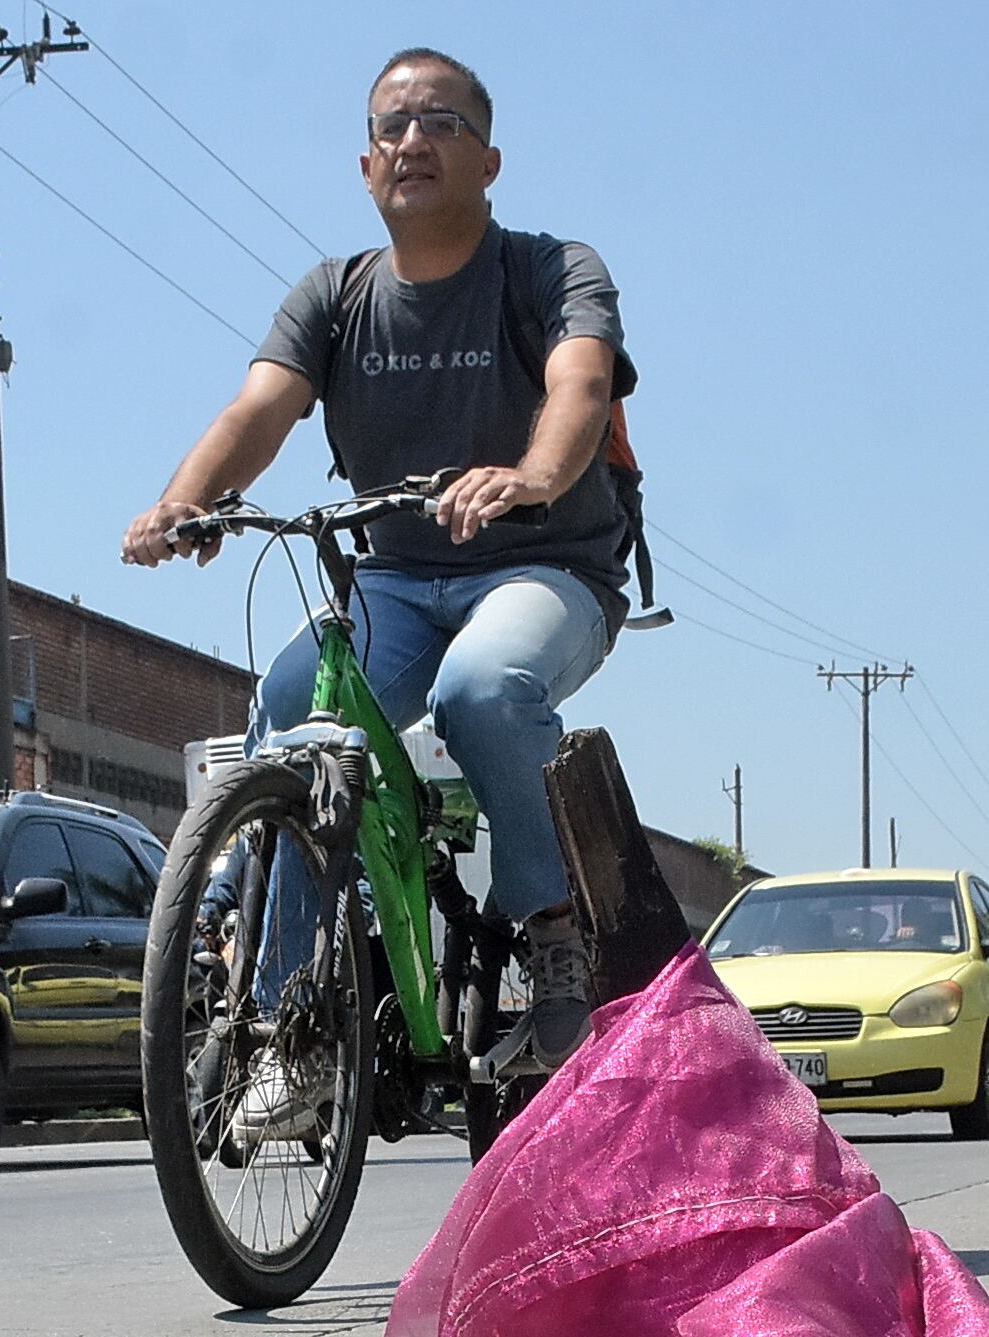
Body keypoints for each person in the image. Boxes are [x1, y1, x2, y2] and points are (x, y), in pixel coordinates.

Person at [122, 45, 634, 1089]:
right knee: (291, 709)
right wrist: (186, 500)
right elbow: (258, 410)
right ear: (365, 168)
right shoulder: (335, 294)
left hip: (544, 569)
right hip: (395, 582)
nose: (413, 141)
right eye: (391, 127)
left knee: (481, 690)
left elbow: (579, 388)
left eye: (441, 122)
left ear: (488, 161)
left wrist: (531, 477)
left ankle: (553, 931)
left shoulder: (550, 270)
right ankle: (288, 1021)